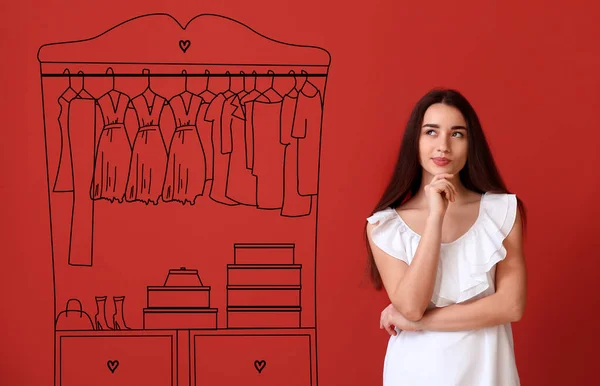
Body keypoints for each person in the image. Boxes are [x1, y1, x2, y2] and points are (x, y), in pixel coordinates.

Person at [365, 88, 528, 385]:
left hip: (488, 370)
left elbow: (511, 306)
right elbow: (412, 305)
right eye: (431, 132)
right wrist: (434, 218)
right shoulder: (384, 226)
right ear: (415, 141)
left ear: (470, 144)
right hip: (416, 371)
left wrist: (421, 321)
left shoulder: (502, 210)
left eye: (457, 134)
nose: (443, 146)